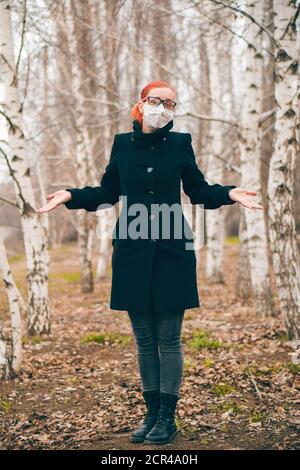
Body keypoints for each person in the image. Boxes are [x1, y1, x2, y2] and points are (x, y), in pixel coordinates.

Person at [37, 80, 263, 445]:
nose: (163, 108)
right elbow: (108, 193)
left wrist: (230, 192)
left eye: (170, 104)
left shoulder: (180, 143)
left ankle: (167, 419)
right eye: (156, 101)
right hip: (132, 251)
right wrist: (70, 195)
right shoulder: (121, 145)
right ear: (141, 104)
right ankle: (152, 413)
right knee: (144, 339)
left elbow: (199, 191)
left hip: (174, 251)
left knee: (169, 339)